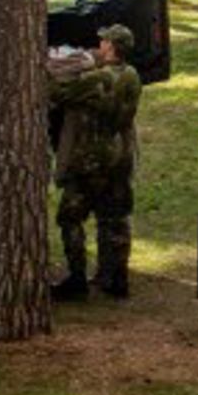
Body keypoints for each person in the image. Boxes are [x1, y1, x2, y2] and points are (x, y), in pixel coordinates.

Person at [48, 23, 142, 300]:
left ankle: (76, 279)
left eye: (103, 42)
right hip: (120, 157)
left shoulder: (98, 79)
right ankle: (116, 278)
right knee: (115, 217)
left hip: (90, 159)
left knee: (70, 218)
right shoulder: (132, 76)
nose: (99, 46)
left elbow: (57, 94)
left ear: (111, 47)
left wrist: (64, 67)